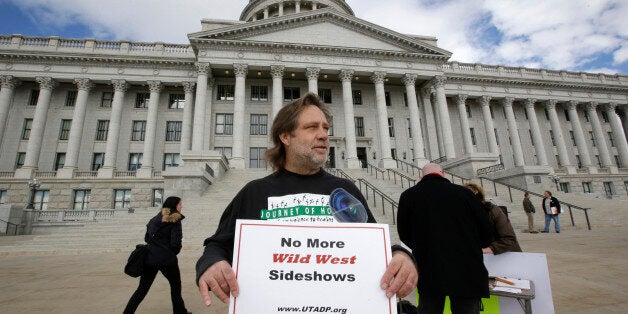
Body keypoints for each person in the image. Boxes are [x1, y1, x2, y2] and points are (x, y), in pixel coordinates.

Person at [195, 92, 417, 308]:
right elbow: (218, 245)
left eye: (325, 128)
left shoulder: (345, 191)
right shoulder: (254, 192)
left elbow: (372, 247)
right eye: (312, 127)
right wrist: (211, 264)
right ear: (285, 137)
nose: (323, 135)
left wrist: (402, 255)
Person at [397, 163, 493, 314]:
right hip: (467, 269)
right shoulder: (465, 194)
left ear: (421, 176)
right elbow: (486, 230)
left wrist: (422, 246)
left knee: (429, 308)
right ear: (443, 174)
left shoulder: (408, 195)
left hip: (428, 267)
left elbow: (404, 234)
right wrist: (473, 245)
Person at [124, 196, 191, 314]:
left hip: (150, 258)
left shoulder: (155, 218)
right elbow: (176, 243)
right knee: (175, 286)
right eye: (180, 204)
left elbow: (146, 238)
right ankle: (180, 312)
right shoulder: (175, 219)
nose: (182, 206)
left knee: (142, 289)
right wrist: (170, 253)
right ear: (174, 205)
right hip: (167, 260)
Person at [464, 181, 522, 254]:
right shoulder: (465, 214)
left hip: (506, 257)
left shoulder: (493, 211)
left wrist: (489, 249)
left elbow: (509, 239)